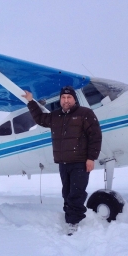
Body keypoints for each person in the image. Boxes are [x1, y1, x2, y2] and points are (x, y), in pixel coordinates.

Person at [22, 86, 102, 235]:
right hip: (63, 162)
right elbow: (40, 119)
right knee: (66, 192)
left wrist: (91, 158)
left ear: (74, 99)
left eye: (69, 98)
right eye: (63, 98)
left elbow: (95, 137)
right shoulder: (55, 116)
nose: (66, 100)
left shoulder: (85, 114)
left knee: (76, 193)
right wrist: (30, 101)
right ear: (60, 100)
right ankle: (70, 215)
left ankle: (73, 221)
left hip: (80, 161)